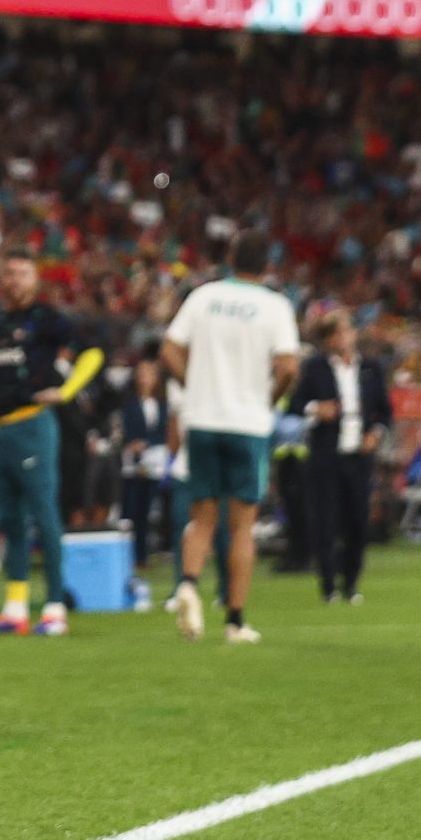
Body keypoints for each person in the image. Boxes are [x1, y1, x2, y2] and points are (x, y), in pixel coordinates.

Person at [161, 231, 302, 645]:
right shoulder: (275, 306)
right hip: (247, 423)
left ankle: (187, 583)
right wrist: (268, 399)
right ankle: (235, 620)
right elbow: (289, 367)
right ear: (268, 265)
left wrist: (194, 387)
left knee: (201, 517)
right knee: (242, 526)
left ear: (231, 258)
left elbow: (169, 350)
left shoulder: (203, 297)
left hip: (202, 419)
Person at [0, 252, 100, 635]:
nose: (15, 280)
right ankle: (15, 610)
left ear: (35, 279)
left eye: (23, 273)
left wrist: (66, 391)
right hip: (1, 429)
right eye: (9, 273)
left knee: (44, 515)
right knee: (8, 519)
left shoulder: (48, 319)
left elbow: (91, 354)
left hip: (34, 426)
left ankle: (55, 607)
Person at [292, 310, 391, 605]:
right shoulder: (315, 368)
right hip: (325, 454)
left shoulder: (370, 367)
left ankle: (351, 581)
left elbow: (385, 411)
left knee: (357, 520)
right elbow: (296, 403)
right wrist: (316, 409)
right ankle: (328, 584)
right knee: (325, 520)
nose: (343, 338)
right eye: (336, 333)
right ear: (328, 339)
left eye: (346, 331)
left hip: (358, 456)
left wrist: (376, 433)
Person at [117, 355, 172, 569]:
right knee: (131, 509)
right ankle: (128, 554)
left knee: (148, 510)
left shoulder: (163, 405)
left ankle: (144, 554)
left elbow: (165, 432)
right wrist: (133, 445)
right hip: (133, 463)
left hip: (156, 462)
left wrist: (148, 443)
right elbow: (125, 431)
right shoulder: (129, 405)